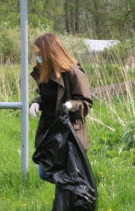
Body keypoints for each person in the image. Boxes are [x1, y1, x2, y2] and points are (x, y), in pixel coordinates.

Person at [28, 33, 93, 181]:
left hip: (69, 132)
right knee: (45, 172)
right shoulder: (44, 72)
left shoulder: (73, 72)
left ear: (49, 52)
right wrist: (36, 103)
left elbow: (86, 103)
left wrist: (71, 105)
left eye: (39, 54)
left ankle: (70, 201)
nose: (37, 57)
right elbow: (48, 98)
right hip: (50, 131)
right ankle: (66, 198)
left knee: (67, 176)